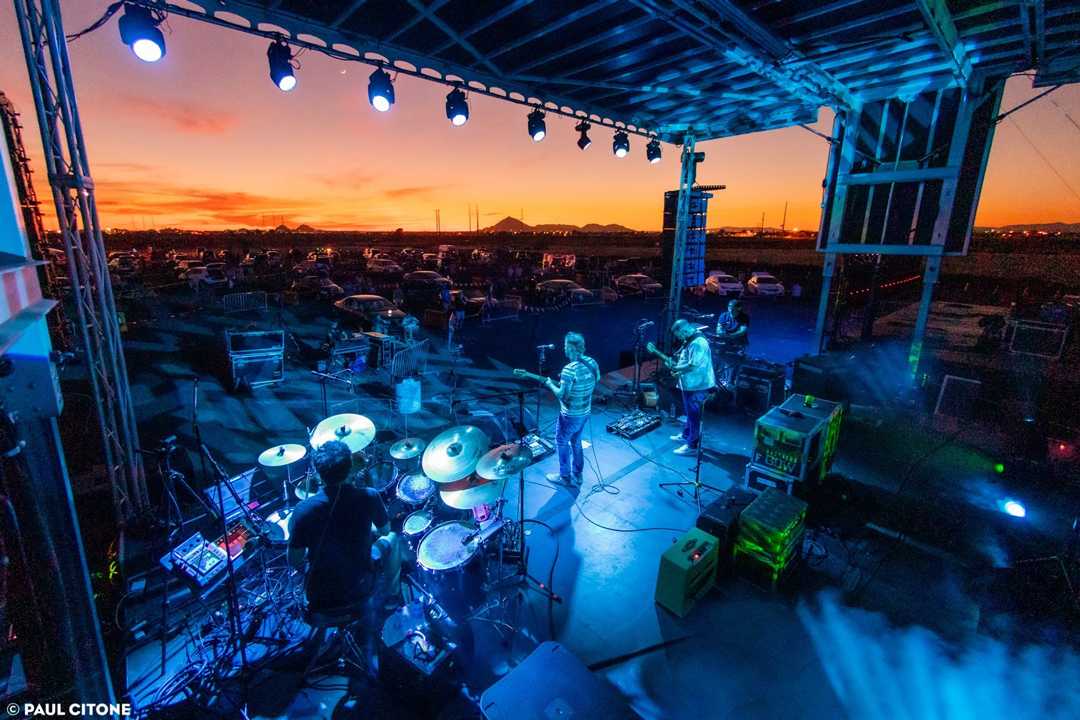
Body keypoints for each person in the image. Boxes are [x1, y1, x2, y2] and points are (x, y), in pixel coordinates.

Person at [287, 440, 392, 613]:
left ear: (318, 473)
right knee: (392, 538)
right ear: (350, 467)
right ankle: (393, 596)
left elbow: (294, 560)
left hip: (320, 595)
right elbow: (385, 531)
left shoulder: (302, 510)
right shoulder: (369, 496)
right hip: (361, 586)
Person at [543, 332, 600, 485]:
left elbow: (562, 396)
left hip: (570, 415)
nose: (564, 348)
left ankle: (565, 476)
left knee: (561, 441)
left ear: (569, 348)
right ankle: (578, 474)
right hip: (585, 412)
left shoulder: (569, 369)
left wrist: (549, 384)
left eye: (565, 345)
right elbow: (597, 379)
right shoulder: (592, 362)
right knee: (576, 441)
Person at [666, 319, 715, 456]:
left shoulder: (698, 343)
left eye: (679, 335)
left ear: (684, 330)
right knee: (689, 412)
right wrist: (678, 370)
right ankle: (686, 435)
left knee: (694, 415)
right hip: (689, 384)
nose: (679, 338)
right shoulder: (691, 338)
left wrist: (677, 368)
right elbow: (686, 360)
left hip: (698, 385)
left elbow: (693, 365)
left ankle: (692, 445)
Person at [714, 299, 750, 388]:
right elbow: (718, 329)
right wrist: (720, 333)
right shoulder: (724, 315)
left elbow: (742, 331)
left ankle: (731, 381)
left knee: (733, 361)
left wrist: (729, 335)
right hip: (726, 342)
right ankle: (721, 379)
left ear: (739, 308)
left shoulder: (744, 317)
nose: (730, 310)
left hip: (739, 343)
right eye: (729, 307)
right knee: (719, 358)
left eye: (733, 308)